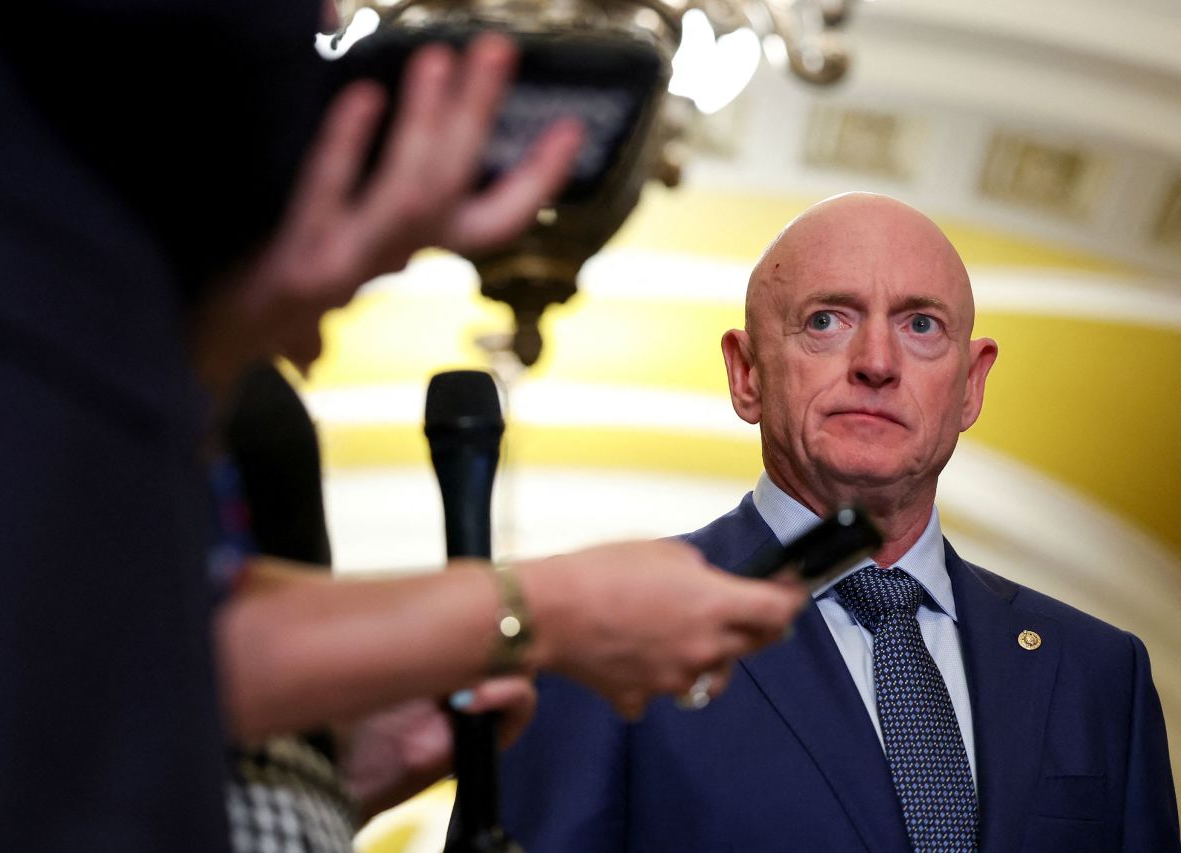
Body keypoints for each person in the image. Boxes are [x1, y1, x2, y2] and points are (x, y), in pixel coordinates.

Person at [0, 2, 805, 850]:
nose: (328, 24)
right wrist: (545, 610)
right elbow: (25, 658)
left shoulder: (92, 315)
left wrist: (323, 758)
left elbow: (125, 621)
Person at [498, 193, 1180, 851]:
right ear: (746, 373)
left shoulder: (1097, 671)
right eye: (827, 320)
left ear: (970, 385)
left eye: (921, 325)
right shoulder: (602, 635)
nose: (877, 364)